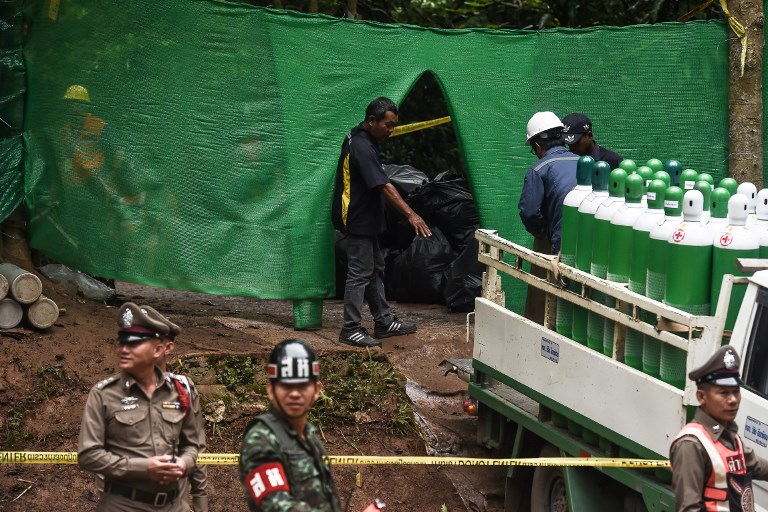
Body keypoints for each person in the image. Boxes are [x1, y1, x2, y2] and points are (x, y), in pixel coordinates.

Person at [78, 302, 204, 511]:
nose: (123, 349)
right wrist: (145, 468)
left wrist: (184, 463)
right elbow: (88, 456)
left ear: (159, 349)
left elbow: (192, 445)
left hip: (174, 505)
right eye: (121, 342)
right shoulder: (103, 394)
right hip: (124, 505)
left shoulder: (179, 391)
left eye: (134, 343)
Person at [331, 96, 431, 348]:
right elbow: (384, 186)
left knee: (375, 267)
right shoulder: (362, 147)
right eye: (388, 125)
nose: (391, 130)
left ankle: (384, 321)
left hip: (365, 215)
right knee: (359, 273)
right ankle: (350, 328)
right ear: (372, 121)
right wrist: (411, 214)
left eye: (394, 125)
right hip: (356, 218)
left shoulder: (359, 135)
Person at [239, 338, 341, 511]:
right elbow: (276, 506)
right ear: (271, 390)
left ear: (317, 391)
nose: (294, 393)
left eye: (302, 386)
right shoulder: (261, 439)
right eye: (286, 385)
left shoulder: (309, 436)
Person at [670, 345, 768, 511]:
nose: (732, 400)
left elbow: (759, 466)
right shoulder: (691, 444)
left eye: (736, 392)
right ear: (702, 397)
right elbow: (689, 508)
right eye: (723, 393)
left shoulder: (731, 438)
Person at [148, 305, 209, 512]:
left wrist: (201, 503)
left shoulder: (183, 390)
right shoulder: (113, 392)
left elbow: (196, 448)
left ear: (167, 348)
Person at [518, 111, 579, 255]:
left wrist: (541, 232)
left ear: (538, 146)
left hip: (564, 247)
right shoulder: (587, 163)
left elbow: (529, 213)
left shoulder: (538, 170)